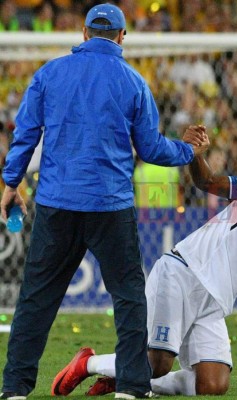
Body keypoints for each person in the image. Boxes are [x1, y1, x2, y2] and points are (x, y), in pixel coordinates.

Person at [51, 127, 237, 397]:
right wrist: (193, 154)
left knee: (213, 384)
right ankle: (88, 363)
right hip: (183, 274)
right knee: (157, 364)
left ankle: (128, 379)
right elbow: (208, 182)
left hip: (214, 303)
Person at [0, 4, 208, 400]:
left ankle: (14, 388)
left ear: (83, 33)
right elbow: (150, 148)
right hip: (110, 206)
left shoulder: (49, 74)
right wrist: (186, 150)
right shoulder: (133, 83)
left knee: (37, 298)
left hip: (57, 203)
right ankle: (131, 388)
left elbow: (25, 134)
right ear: (121, 36)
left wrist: (12, 183)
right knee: (129, 297)